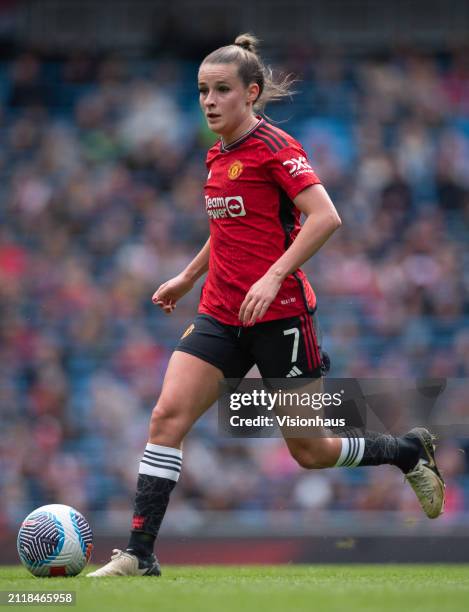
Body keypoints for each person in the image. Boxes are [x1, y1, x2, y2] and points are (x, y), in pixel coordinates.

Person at [88, 34, 445, 577]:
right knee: (166, 417)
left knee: (311, 450)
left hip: (280, 317)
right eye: (203, 90)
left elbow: (326, 217)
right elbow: (230, 226)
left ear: (251, 93)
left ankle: (406, 453)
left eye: (222, 90)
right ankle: (139, 553)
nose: (209, 101)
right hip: (219, 313)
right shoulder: (216, 155)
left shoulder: (277, 146)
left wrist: (273, 275)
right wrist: (187, 277)